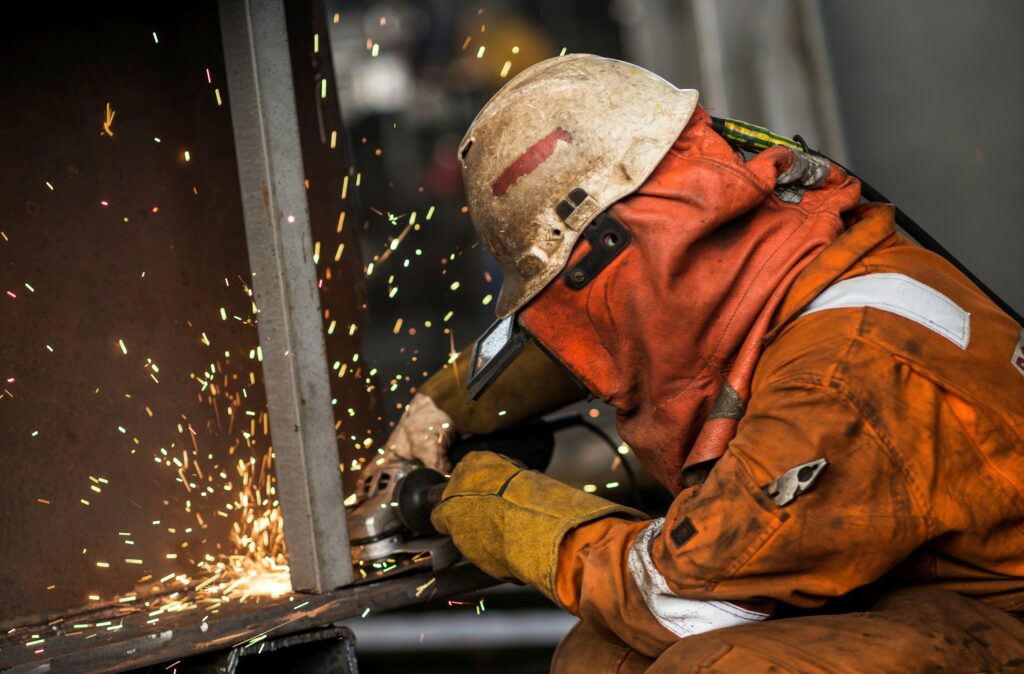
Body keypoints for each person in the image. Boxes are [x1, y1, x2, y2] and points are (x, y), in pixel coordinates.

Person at [381, 54, 1024, 672]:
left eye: (564, 295)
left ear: (619, 244)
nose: (583, 335)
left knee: (712, 666)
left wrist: (503, 511)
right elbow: (650, 322)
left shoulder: (835, 380)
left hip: (1002, 613)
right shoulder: (771, 255)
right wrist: (448, 399)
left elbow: (682, 600)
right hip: (920, 587)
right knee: (603, 656)